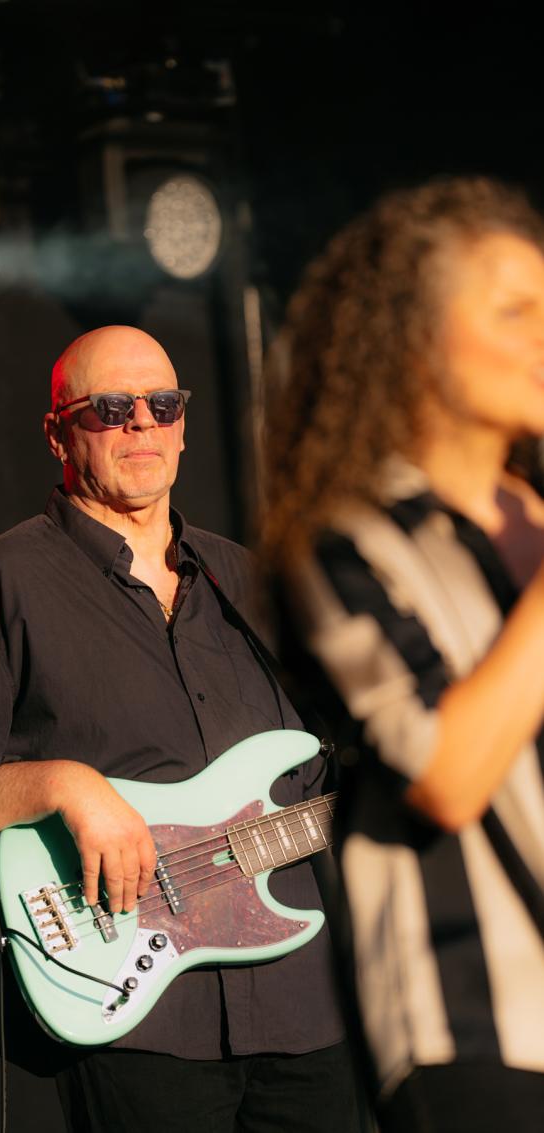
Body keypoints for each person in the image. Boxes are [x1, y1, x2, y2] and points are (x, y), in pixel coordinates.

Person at [0, 325, 359, 1133]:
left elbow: (335, 767)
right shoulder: (6, 581)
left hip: (307, 1011)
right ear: (57, 431)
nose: (141, 422)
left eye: (162, 404)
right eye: (110, 406)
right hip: (135, 1016)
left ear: (183, 426)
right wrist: (61, 785)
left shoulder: (251, 581)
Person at [262, 177, 544, 1133]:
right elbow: (444, 771)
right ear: (416, 335)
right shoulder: (345, 539)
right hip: (476, 1027)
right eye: (513, 311)